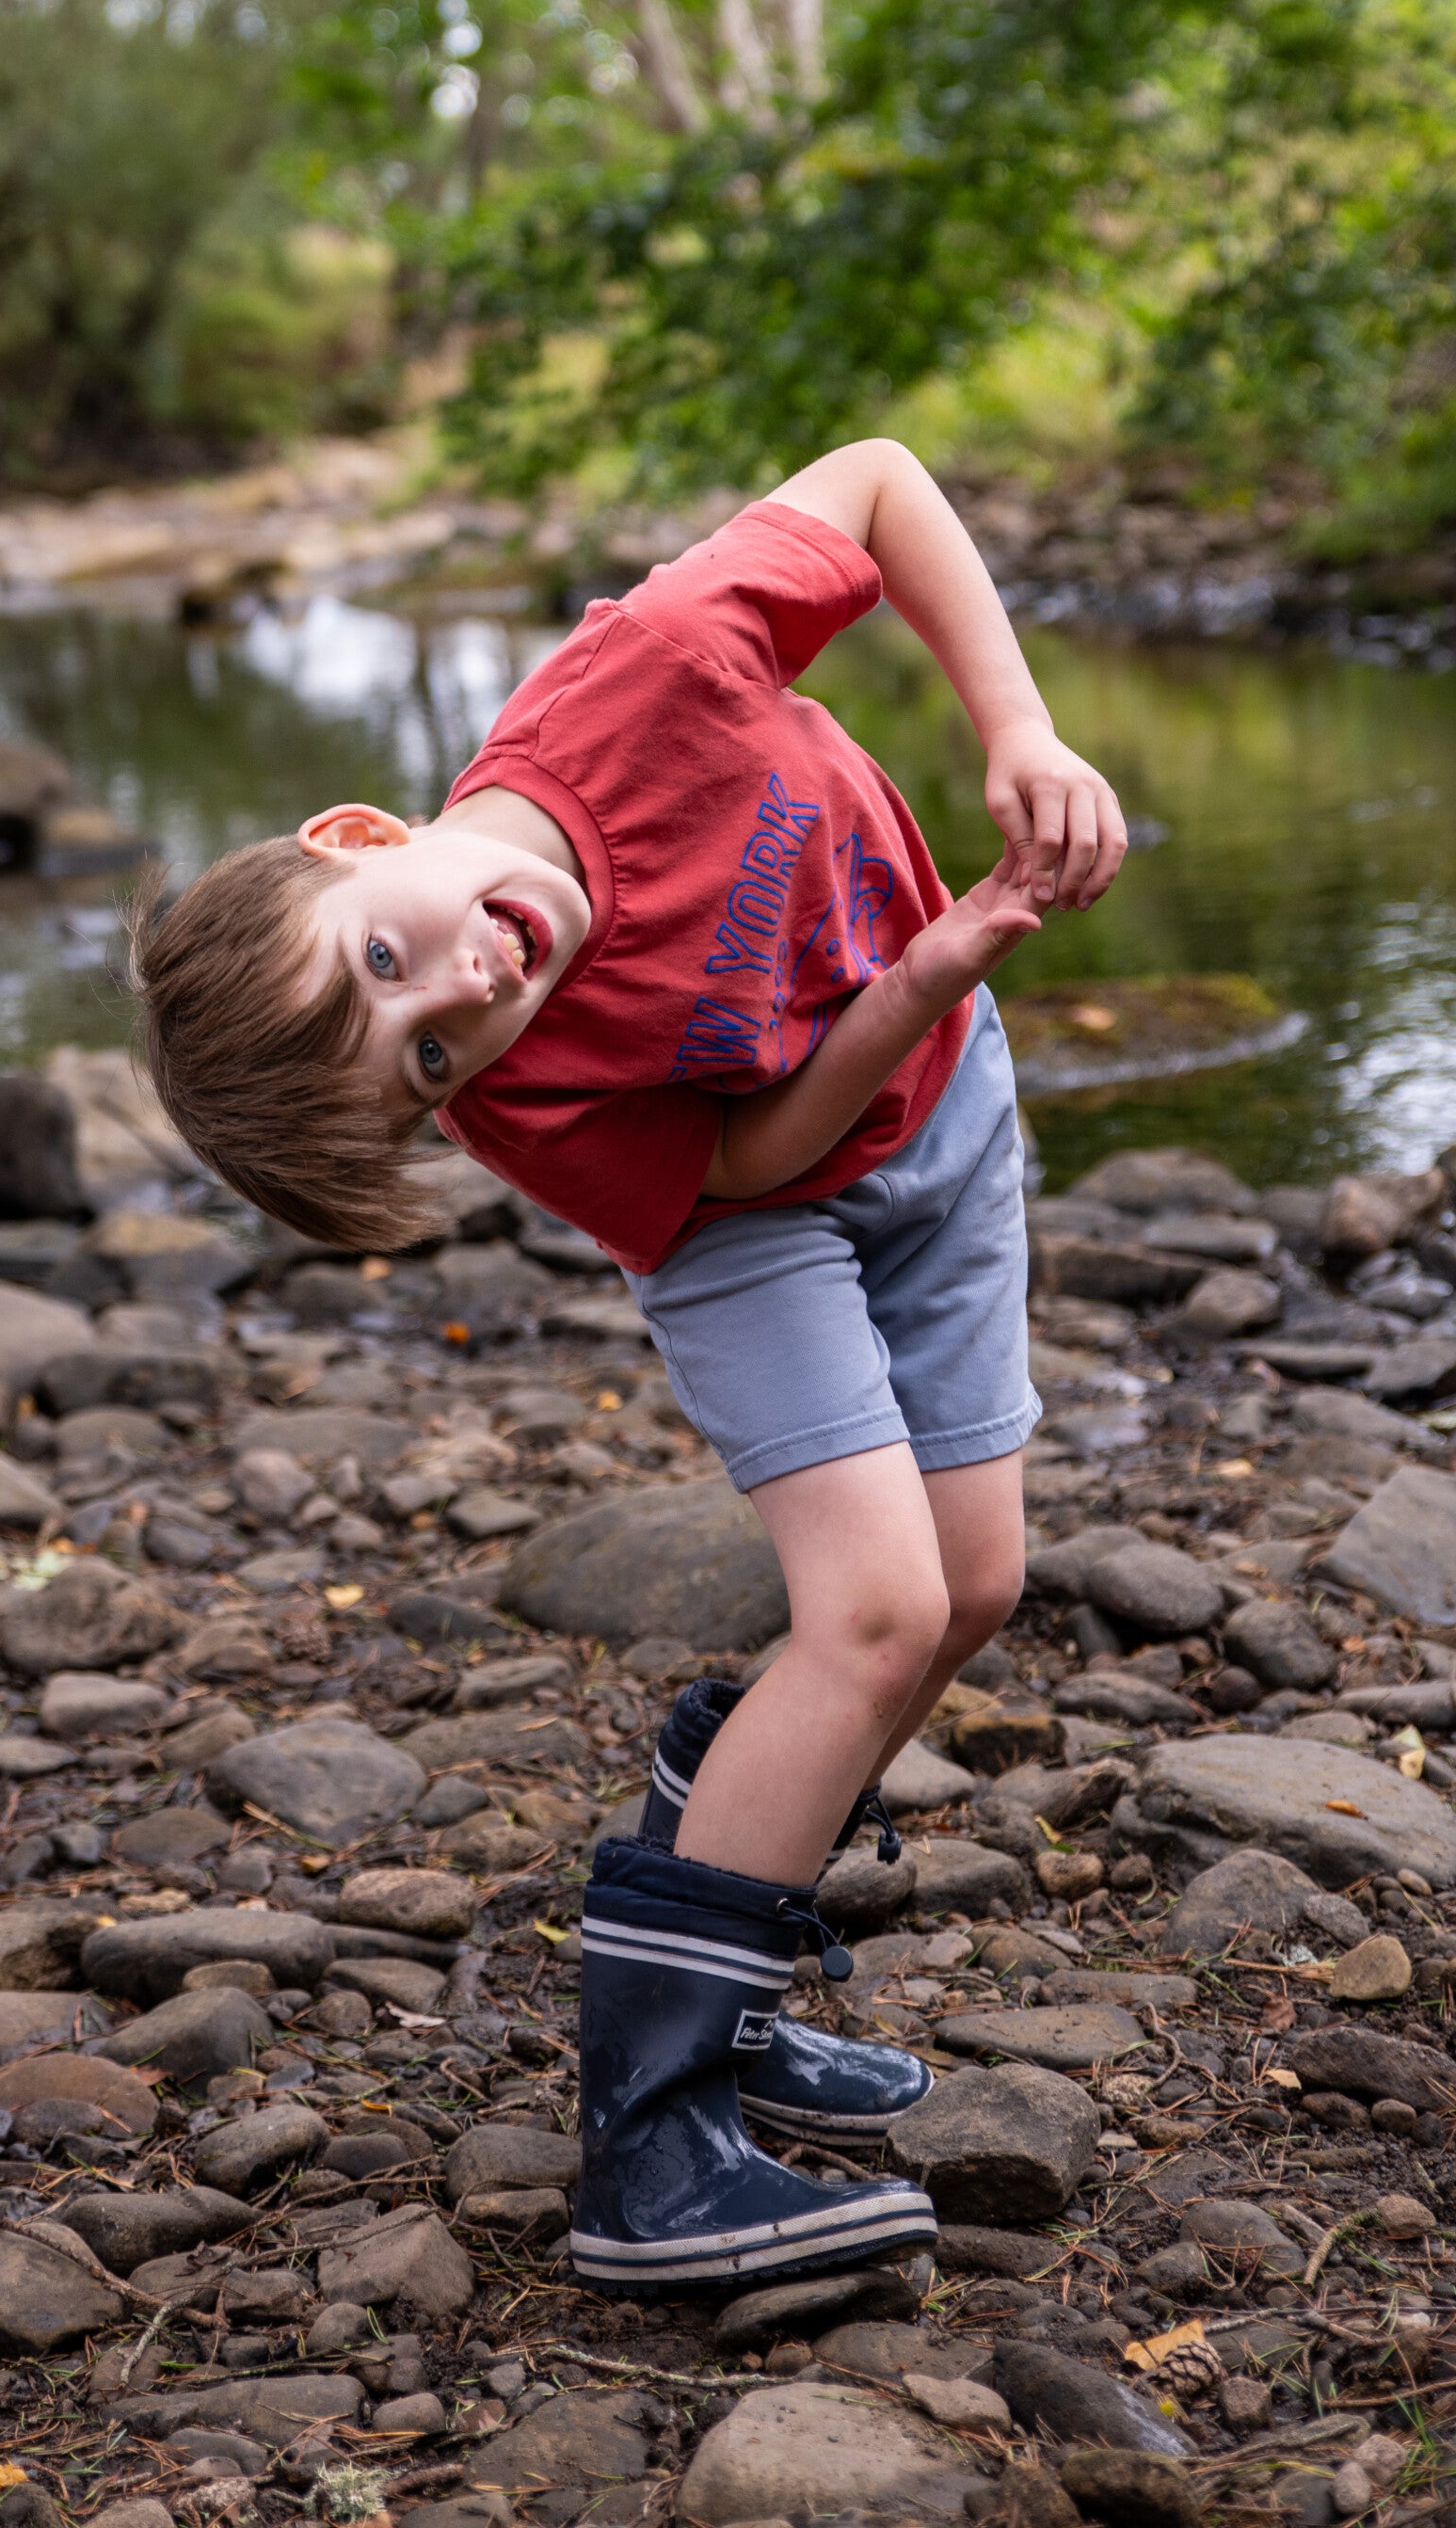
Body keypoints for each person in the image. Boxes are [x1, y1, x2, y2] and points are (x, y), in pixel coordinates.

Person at [132, 437, 1128, 2296]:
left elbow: (881, 485)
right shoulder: (521, 1097)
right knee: (874, 1616)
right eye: (425, 1065)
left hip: (945, 1109)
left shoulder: (641, 684)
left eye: (385, 962)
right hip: (751, 1231)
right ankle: (650, 2146)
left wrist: (1019, 739)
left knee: (974, 1586)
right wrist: (908, 981)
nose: (461, 1002)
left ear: (360, 838)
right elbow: (736, 1168)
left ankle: (725, 1962)